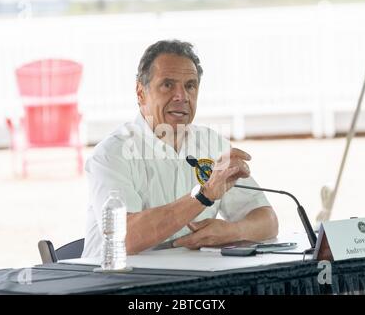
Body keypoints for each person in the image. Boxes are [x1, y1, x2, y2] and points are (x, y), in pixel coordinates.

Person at [82, 39, 278, 257]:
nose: (181, 96)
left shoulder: (212, 144)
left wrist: (233, 232)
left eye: (190, 86)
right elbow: (123, 237)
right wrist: (204, 195)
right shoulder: (112, 154)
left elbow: (267, 220)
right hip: (115, 284)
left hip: (189, 282)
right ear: (140, 93)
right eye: (167, 85)